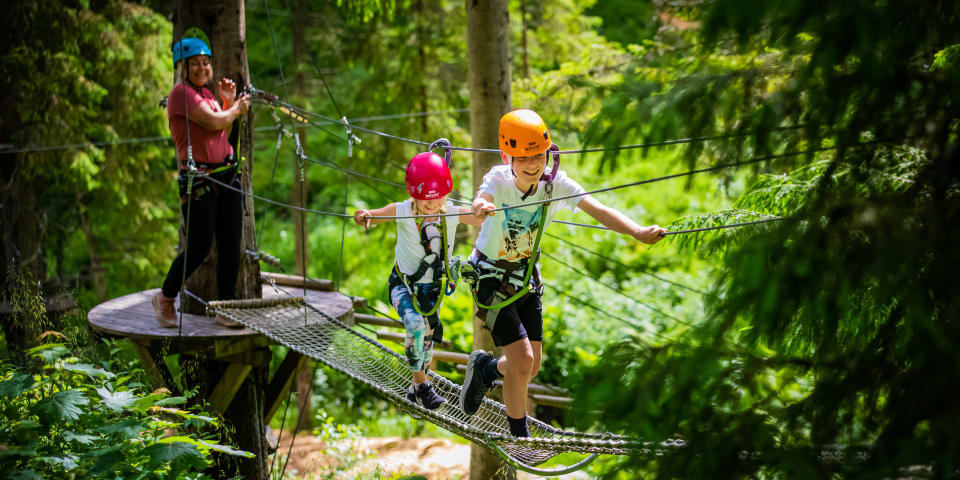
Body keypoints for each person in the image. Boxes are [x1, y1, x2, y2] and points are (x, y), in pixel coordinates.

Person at [458, 109, 667, 437]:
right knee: (522, 360)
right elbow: (481, 200)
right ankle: (519, 436)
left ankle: (485, 368)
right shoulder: (498, 180)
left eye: (539, 155)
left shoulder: (555, 184)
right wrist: (480, 207)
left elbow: (598, 210)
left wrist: (637, 232)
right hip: (491, 280)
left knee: (531, 367)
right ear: (506, 156)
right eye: (524, 157)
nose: (533, 164)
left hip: (526, 279)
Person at [353, 151, 485, 410]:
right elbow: (379, 214)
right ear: (414, 193)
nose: (430, 204)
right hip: (402, 285)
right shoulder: (403, 211)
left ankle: (414, 389)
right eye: (424, 198)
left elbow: (479, 216)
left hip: (431, 292)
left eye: (436, 199)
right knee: (414, 326)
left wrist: (486, 207)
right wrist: (366, 215)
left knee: (425, 344)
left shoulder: (451, 213)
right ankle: (423, 387)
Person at [152, 36, 251, 328]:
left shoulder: (207, 95)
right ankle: (166, 296)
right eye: (195, 63)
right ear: (183, 67)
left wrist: (229, 103)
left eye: (205, 63)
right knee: (199, 244)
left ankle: (226, 306)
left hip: (226, 175)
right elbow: (213, 122)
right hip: (199, 180)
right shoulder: (181, 94)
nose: (201, 68)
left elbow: (223, 127)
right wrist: (235, 108)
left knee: (232, 244)